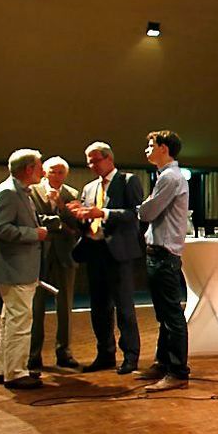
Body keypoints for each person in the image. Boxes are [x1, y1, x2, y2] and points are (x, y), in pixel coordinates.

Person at [0, 149, 49, 389]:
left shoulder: (18, 191)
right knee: (20, 320)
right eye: (39, 166)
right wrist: (34, 234)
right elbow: (1, 228)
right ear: (28, 169)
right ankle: (16, 373)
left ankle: (7, 369)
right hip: (14, 267)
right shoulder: (8, 193)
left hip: (15, 266)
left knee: (10, 319)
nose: (43, 171)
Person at [68, 141, 145, 375]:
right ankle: (105, 354)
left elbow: (135, 216)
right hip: (95, 251)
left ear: (109, 159)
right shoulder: (90, 188)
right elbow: (86, 219)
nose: (92, 165)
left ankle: (130, 356)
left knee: (123, 307)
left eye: (96, 160)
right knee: (99, 308)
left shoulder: (127, 181)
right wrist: (78, 215)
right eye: (89, 161)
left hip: (119, 253)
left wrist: (104, 212)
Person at [136, 130, 191, 392]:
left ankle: (178, 371)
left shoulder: (170, 177)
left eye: (151, 145)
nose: (147, 149)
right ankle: (162, 362)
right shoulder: (165, 176)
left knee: (172, 316)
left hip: (164, 255)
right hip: (158, 254)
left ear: (164, 148)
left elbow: (147, 213)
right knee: (164, 315)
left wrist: (142, 206)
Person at [28, 156, 81, 370]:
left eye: (61, 172)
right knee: (36, 306)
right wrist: (59, 224)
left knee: (66, 305)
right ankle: (33, 354)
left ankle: (64, 352)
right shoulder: (31, 191)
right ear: (44, 172)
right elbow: (34, 219)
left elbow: (77, 225)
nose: (56, 176)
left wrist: (61, 206)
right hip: (39, 254)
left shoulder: (72, 194)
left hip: (65, 254)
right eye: (52, 171)